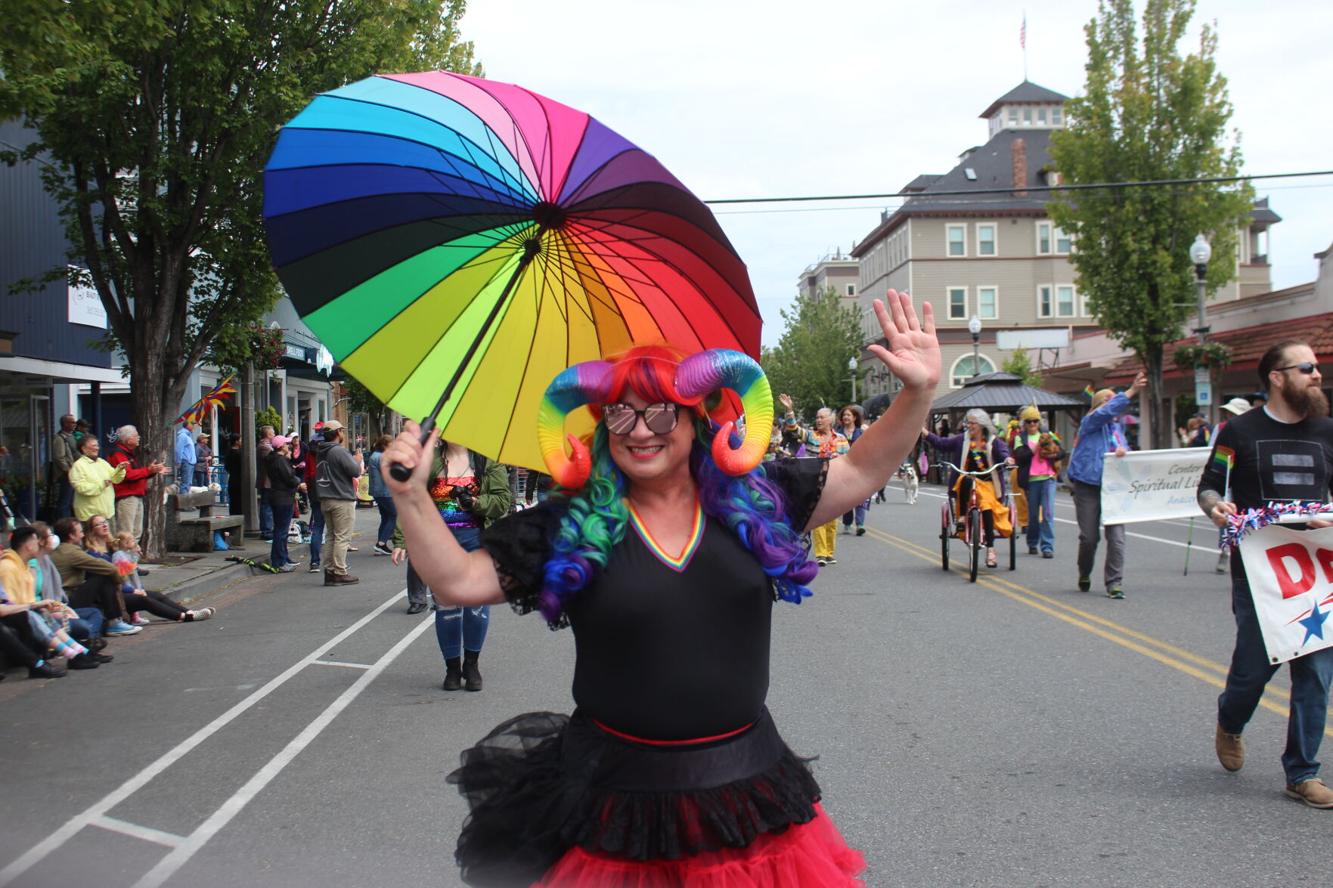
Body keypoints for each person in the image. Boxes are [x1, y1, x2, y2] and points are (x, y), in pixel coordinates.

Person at [381, 291, 938, 885]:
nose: (640, 430)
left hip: (745, 791)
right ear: (600, 427)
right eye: (619, 413)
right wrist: (411, 495)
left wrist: (918, 392)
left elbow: (862, 469)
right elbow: (458, 581)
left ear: (697, 419)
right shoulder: (573, 524)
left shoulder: (755, 501)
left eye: (661, 413)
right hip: (614, 798)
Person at [1198, 340, 1333, 809]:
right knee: (1254, 672)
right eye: (1307, 368)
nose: (1317, 375)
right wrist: (1218, 509)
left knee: (1315, 671)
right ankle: (1230, 721)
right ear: (1277, 377)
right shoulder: (1238, 431)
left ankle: (1302, 772)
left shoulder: (1327, 432)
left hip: (1315, 573)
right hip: (1258, 573)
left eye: (1317, 368)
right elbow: (1210, 486)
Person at [390, 440, 511, 685]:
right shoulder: (430, 461)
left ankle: (472, 664)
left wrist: (477, 503)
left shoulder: (486, 461)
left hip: (477, 543)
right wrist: (402, 538)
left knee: (476, 606)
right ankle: (452, 668)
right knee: (447, 607)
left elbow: (502, 502)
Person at [1067, 371, 1146, 598]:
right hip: (1087, 486)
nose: (1114, 408)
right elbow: (1106, 412)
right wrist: (1130, 391)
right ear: (1098, 406)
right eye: (1108, 401)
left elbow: (1124, 453)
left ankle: (1114, 583)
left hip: (1114, 489)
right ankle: (1084, 571)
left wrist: (1124, 452)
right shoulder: (1089, 423)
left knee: (1118, 538)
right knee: (1089, 538)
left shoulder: (1117, 431)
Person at [925, 408, 1013, 568]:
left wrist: (1007, 460)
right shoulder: (961, 440)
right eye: (968, 423)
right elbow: (941, 444)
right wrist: (925, 433)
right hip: (966, 480)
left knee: (986, 505)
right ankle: (962, 518)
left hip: (987, 484)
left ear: (981, 425)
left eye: (973, 423)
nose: (969, 426)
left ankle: (990, 550)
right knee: (965, 479)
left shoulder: (993, 442)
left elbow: (1003, 453)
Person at [0, 526, 99, 669]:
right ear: (28, 545)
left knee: (90, 614)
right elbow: (10, 604)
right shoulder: (8, 567)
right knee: (38, 615)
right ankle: (72, 654)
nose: (39, 544)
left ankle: (80, 651)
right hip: (16, 615)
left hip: (25, 612)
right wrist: (37, 605)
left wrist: (51, 606)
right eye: (36, 541)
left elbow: (27, 601)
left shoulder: (25, 565)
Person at [780, 398, 849, 566]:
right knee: (819, 517)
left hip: (836, 483)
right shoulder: (811, 436)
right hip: (816, 483)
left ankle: (829, 553)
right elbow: (794, 429)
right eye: (817, 417)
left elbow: (848, 461)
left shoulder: (841, 439)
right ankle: (821, 554)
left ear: (831, 420)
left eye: (822, 418)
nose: (818, 420)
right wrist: (790, 411)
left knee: (832, 521)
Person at [50, 516, 139, 637]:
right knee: (103, 577)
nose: (82, 535)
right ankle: (114, 622)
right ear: (71, 535)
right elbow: (109, 568)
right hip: (67, 598)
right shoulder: (72, 552)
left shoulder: (61, 550)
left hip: (62, 597)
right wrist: (121, 583)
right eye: (80, 532)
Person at [1010, 406, 1065, 559]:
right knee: (1033, 515)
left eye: (1035, 421)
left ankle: (1047, 546)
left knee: (1047, 513)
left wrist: (1051, 452)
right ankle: (1032, 542)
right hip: (1031, 480)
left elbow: (1062, 452)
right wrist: (1035, 449)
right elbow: (1020, 456)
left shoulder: (1048, 435)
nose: (1033, 424)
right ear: (1025, 423)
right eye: (1029, 421)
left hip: (1048, 478)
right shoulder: (1020, 438)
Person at [314, 420, 361, 586]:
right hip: (341, 497)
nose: (343, 434)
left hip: (326, 497)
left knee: (331, 536)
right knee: (342, 537)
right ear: (338, 432)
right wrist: (357, 460)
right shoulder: (338, 451)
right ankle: (339, 571)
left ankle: (329, 571)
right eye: (342, 430)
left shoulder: (321, 451)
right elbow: (355, 471)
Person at [106, 425, 170, 546]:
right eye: (136, 436)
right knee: (126, 533)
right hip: (126, 497)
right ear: (128, 439)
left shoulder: (128, 453)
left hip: (135, 496)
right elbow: (127, 475)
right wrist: (148, 471)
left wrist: (152, 471)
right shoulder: (118, 454)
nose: (139, 438)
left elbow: (137, 475)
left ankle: (130, 561)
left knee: (136, 533)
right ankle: (122, 561)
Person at [68, 434, 126, 526]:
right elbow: (80, 487)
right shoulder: (78, 466)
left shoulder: (102, 462)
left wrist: (120, 469)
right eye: (93, 446)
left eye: (97, 445)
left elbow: (115, 479)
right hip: (90, 517)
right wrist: (101, 485)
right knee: (93, 541)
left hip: (108, 514)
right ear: (83, 449)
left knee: (111, 540)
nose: (97, 448)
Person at [265, 436, 303, 572]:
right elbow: (289, 478)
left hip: (280, 496)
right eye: (287, 444)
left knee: (281, 531)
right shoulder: (280, 460)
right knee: (281, 531)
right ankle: (279, 561)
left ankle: (283, 557)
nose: (289, 446)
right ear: (281, 446)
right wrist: (298, 482)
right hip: (283, 497)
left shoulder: (275, 459)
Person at [836, 405, 870, 536]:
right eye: (844, 415)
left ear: (854, 417)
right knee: (847, 497)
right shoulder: (837, 432)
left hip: (859, 467)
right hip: (842, 467)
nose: (846, 417)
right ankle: (847, 523)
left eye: (848, 415)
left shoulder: (861, 432)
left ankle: (860, 524)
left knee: (860, 496)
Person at [366, 435, 397, 556]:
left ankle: (381, 545)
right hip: (385, 491)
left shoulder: (375, 455)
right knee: (394, 515)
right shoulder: (382, 457)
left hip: (378, 491)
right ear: (384, 445)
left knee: (385, 517)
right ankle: (381, 543)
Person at [303, 425, 325, 572]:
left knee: (317, 527)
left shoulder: (309, 453)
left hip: (314, 491)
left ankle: (315, 562)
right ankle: (335, 564)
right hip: (329, 491)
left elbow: (307, 473)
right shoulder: (328, 451)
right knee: (336, 530)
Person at [51, 414, 79, 519]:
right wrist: (68, 470)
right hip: (65, 475)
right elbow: (59, 457)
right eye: (72, 422)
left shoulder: (71, 436)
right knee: (65, 501)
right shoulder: (59, 438)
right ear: (65, 424)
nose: (74, 424)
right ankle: (64, 523)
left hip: (74, 473)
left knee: (72, 501)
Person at [256, 424, 276, 540]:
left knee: (267, 505)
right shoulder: (265, 446)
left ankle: (268, 528)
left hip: (268, 480)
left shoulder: (267, 445)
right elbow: (273, 458)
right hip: (267, 481)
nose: (274, 435)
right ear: (268, 434)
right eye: (273, 433)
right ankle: (266, 530)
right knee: (266, 505)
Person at [174, 421, 197, 490]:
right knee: (185, 485)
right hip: (186, 462)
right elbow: (178, 449)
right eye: (192, 424)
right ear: (187, 425)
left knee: (188, 484)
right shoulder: (183, 436)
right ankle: (183, 500)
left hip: (190, 463)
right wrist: (178, 462)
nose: (194, 426)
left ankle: (186, 500)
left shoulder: (188, 436)